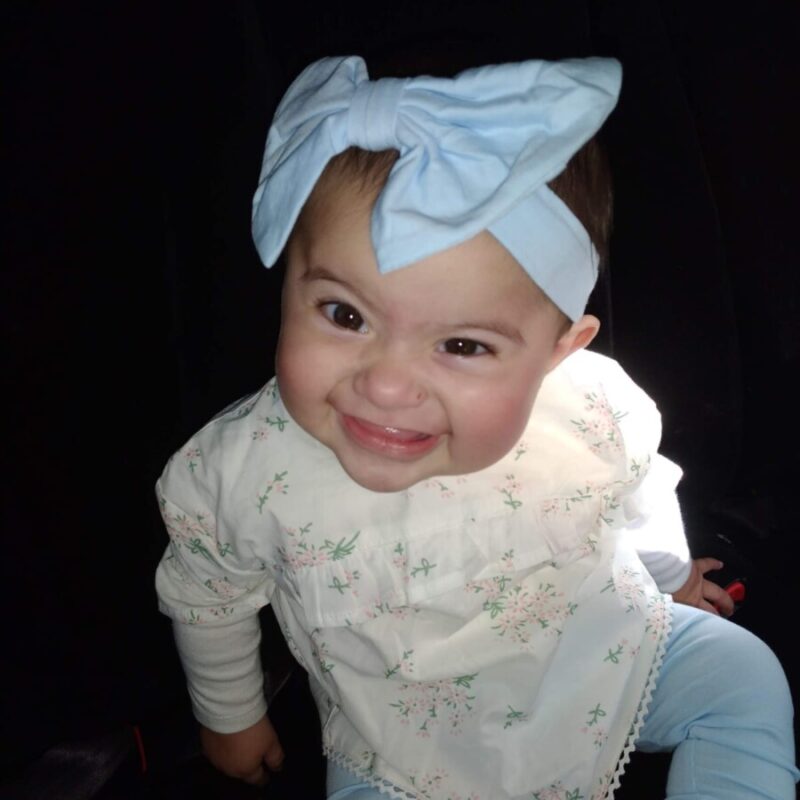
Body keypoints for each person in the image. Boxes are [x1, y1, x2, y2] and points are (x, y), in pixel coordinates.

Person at [155, 55, 799, 799]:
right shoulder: (239, 470)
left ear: (560, 352)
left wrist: (669, 577)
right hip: (401, 740)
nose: (388, 385)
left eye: (462, 346)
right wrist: (230, 718)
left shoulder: (589, 403)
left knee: (742, 675)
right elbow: (208, 595)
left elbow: (641, 488)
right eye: (344, 314)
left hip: (597, 653)